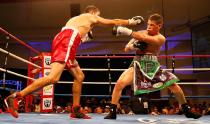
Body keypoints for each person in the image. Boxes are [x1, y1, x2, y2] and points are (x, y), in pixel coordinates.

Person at [4, 5, 144, 119]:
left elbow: (77, 38)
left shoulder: (78, 22)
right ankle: (15, 96)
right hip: (67, 41)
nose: (97, 19)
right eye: (97, 15)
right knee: (53, 78)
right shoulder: (89, 16)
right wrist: (130, 22)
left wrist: (85, 36)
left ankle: (76, 110)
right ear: (93, 12)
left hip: (66, 41)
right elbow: (113, 21)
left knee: (79, 76)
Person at [104, 13, 202, 119]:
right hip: (137, 62)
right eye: (148, 24)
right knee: (120, 83)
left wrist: (125, 30)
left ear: (159, 26)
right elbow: (126, 48)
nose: (148, 27)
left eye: (152, 25)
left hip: (153, 66)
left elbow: (145, 38)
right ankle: (112, 112)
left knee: (174, 86)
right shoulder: (140, 33)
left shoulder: (161, 38)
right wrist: (133, 46)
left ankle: (187, 110)